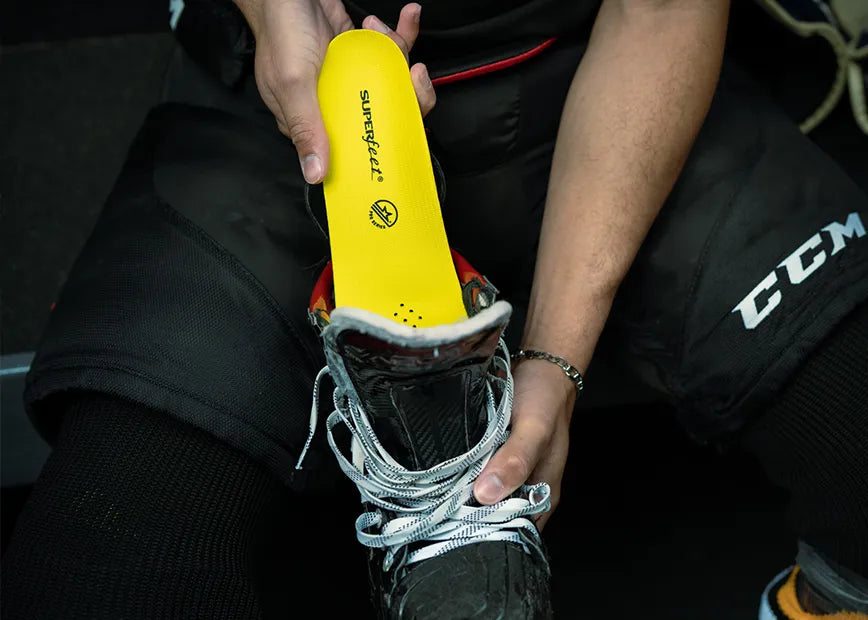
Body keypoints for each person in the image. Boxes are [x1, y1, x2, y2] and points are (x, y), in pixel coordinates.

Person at [2, 0, 867, 618]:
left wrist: (554, 362)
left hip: (596, 75)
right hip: (299, 97)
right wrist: (273, 15)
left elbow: (660, 13)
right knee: (106, 563)